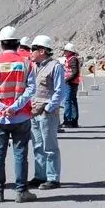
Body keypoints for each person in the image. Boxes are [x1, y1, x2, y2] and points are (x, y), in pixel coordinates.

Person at [0, 25, 36, 203]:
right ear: (18, 44)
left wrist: (0, 107)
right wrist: (15, 107)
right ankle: (21, 192)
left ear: (1, 44)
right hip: (20, 116)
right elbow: (30, 89)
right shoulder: (26, 64)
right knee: (21, 154)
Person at [27, 35, 67, 190]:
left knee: (49, 146)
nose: (31, 52)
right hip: (33, 111)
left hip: (47, 113)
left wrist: (48, 108)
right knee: (37, 145)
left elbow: (60, 91)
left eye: (33, 49)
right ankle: (40, 175)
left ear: (42, 50)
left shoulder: (55, 66)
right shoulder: (34, 67)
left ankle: (53, 177)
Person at [61, 42, 82, 128]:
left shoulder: (73, 59)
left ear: (70, 51)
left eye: (66, 51)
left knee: (68, 101)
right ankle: (73, 121)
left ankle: (68, 120)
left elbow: (75, 72)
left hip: (70, 82)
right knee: (72, 101)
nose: (64, 52)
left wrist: (67, 80)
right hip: (72, 82)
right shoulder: (70, 58)